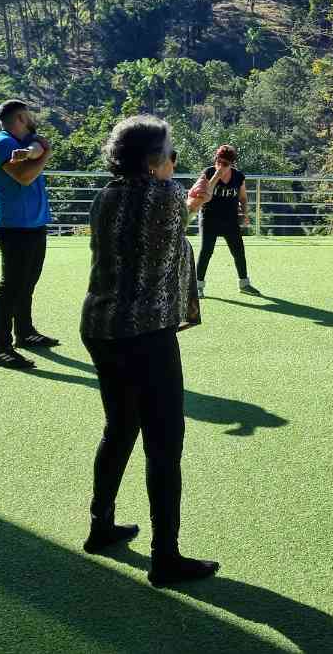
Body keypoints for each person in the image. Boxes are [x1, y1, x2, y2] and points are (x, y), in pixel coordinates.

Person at [80, 115, 219, 587]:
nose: (172, 158)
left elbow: (163, 226)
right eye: (168, 152)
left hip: (101, 327)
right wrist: (195, 196)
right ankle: (166, 557)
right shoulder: (165, 197)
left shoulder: (105, 196)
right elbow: (175, 215)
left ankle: (101, 525)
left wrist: (191, 197)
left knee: (120, 427)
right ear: (153, 160)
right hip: (146, 333)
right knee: (164, 442)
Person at [0, 99, 58, 370]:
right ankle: (2, 349)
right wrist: (44, 154)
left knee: (27, 283)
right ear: (19, 118)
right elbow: (24, 177)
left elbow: (37, 144)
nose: (32, 120)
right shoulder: (2, 143)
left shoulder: (23, 141)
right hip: (14, 227)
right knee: (11, 287)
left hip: (34, 225)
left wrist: (35, 150)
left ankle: (25, 333)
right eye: (28, 116)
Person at [190, 145, 258, 297]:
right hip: (209, 217)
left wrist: (245, 214)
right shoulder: (208, 172)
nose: (220, 165)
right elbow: (204, 193)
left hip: (230, 219)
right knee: (206, 251)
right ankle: (197, 286)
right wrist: (216, 176)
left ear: (232, 164)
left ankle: (244, 284)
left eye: (225, 163)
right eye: (218, 161)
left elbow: (243, 198)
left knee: (238, 251)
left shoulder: (238, 177)